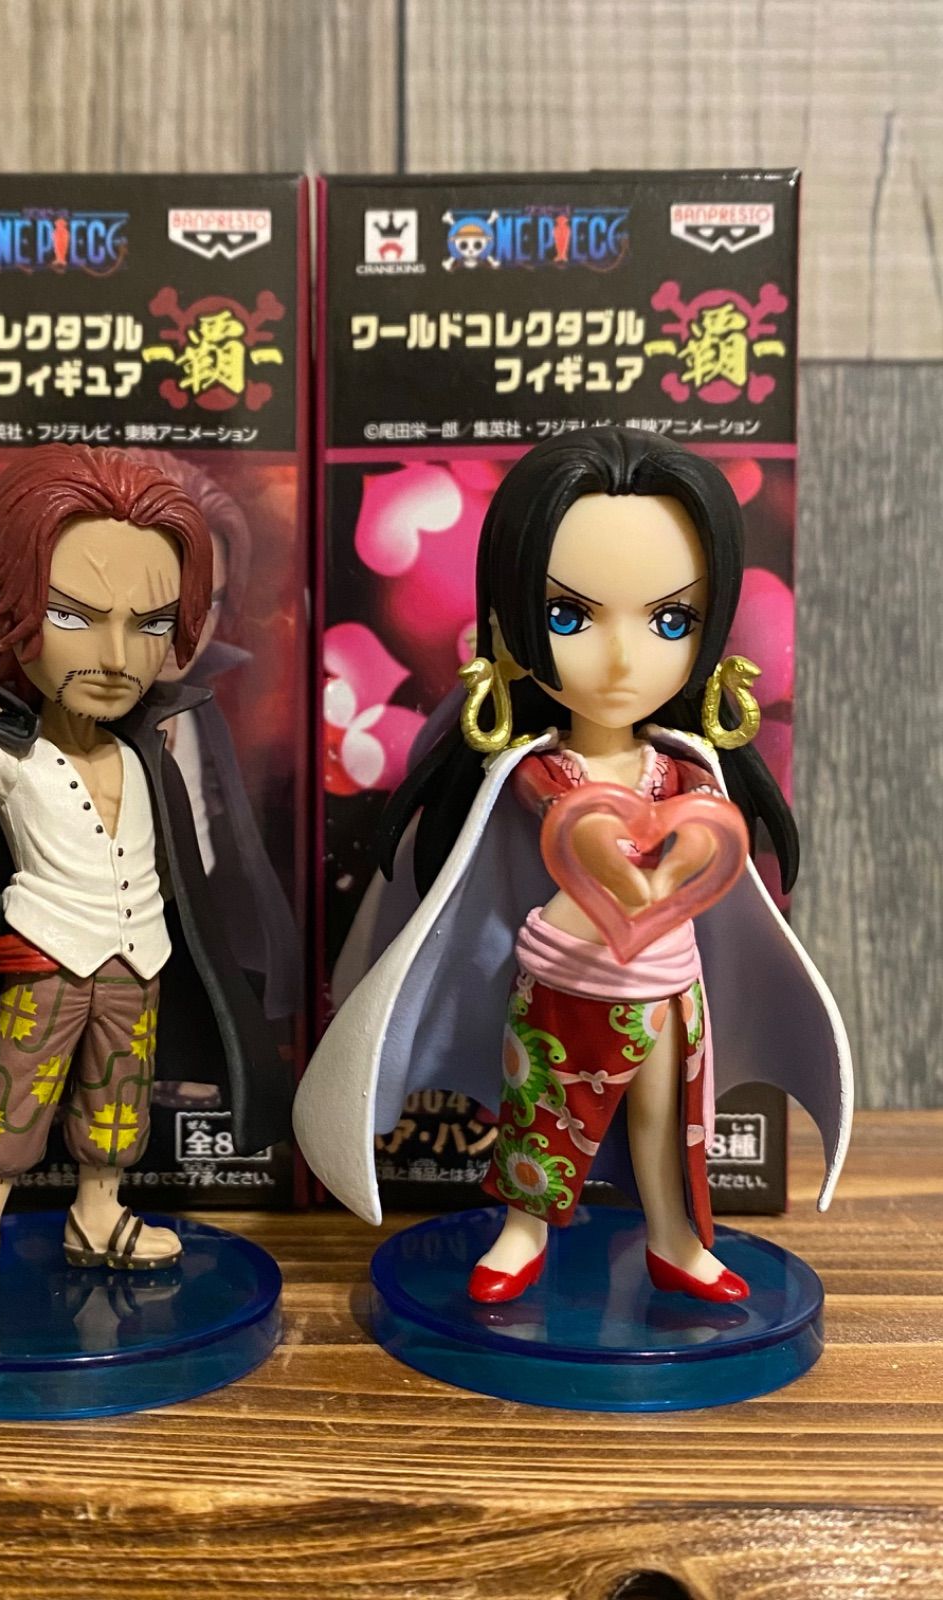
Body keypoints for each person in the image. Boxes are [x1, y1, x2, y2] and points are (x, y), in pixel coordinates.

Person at [295, 427, 852, 1303]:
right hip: (562, 980)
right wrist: (616, 852)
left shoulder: (684, 771)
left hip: (668, 983)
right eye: (570, 616)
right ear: (511, 619)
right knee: (543, 1118)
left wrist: (690, 847)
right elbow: (570, 829)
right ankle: (522, 1232)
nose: (623, 659)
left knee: (666, 1123)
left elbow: (709, 844)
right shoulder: (542, 769)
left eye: (671, 621)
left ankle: (674, 1238)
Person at [0, 445, 291, 1314]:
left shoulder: (148, 748)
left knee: (118, 1100)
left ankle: (98, 1215)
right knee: (13, 1094)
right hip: (49, 961)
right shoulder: (12, 751)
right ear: (10, 607)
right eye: (73, 616)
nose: (115, 655)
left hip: (139, 961)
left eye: (149, 623)